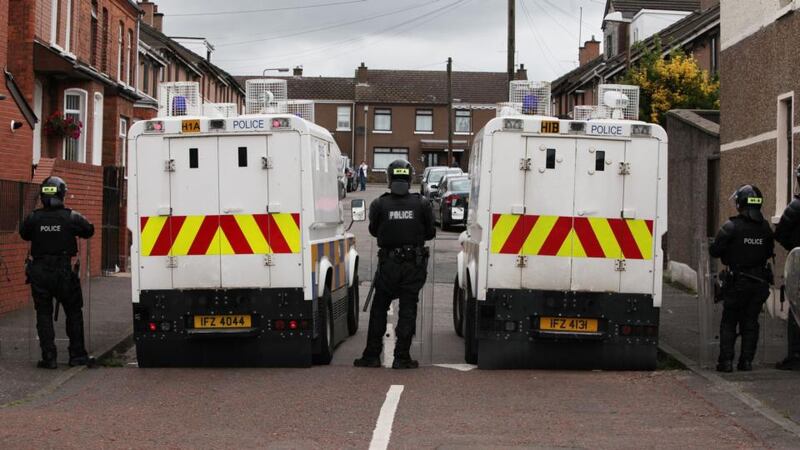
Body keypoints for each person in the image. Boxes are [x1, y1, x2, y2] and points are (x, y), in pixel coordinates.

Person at [354, 160, 436, 369]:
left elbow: (373, 230)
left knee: (379, 308)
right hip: (413, 265)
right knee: (408, 309)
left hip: (388, 264)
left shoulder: (379, 204)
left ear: (389, 178)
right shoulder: (422, 203)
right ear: (410, 178)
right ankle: (402, 357)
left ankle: (372, 356)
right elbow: (430, 233)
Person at [19, 176, 95, 369]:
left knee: (43, 314)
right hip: (63, 272)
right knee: (74, 312)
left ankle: (49, 357)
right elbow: (89, 230)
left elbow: (24, 233)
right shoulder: (71, 217)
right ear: (62, 194)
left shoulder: (34, 218)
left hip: (40, 272)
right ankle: (77, 355)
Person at [709, 185, 774, 372]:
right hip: (760, 282)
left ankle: (726, 362)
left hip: (737, 282)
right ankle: (746, 362)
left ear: (740, 203)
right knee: (751, 322)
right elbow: (769, 251)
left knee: (729, 321)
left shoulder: (731, 226)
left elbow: (714, 250)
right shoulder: (766, 228)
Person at [772, 164, 800, 371]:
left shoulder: (796, 207)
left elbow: (780, 234)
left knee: (796, 308)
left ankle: (795, 356)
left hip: (799, 265)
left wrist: (794, 247)